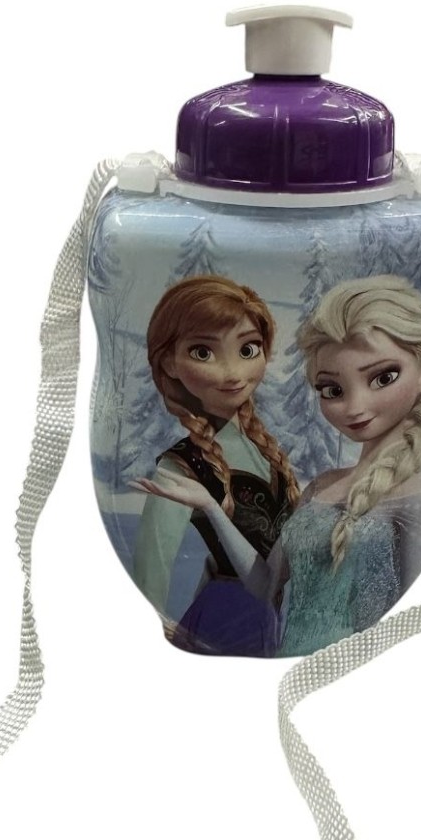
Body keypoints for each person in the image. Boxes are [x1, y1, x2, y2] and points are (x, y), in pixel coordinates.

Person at [134, 275, 421, 657]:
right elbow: (266, 584)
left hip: (360, 666)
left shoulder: (414, 496)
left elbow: (418, 612)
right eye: (332, 390)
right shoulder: (320, 486)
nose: (354, 407)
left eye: (384, 377)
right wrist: (210, 507)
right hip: (285, 656)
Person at [132, 275, 300, 656]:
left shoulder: (265, 448)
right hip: (225, 622)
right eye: (203, 353)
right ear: (170, 364)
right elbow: (150, 571)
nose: (233, 372)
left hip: (271, 621)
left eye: (248, 350)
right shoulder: (181, 466)